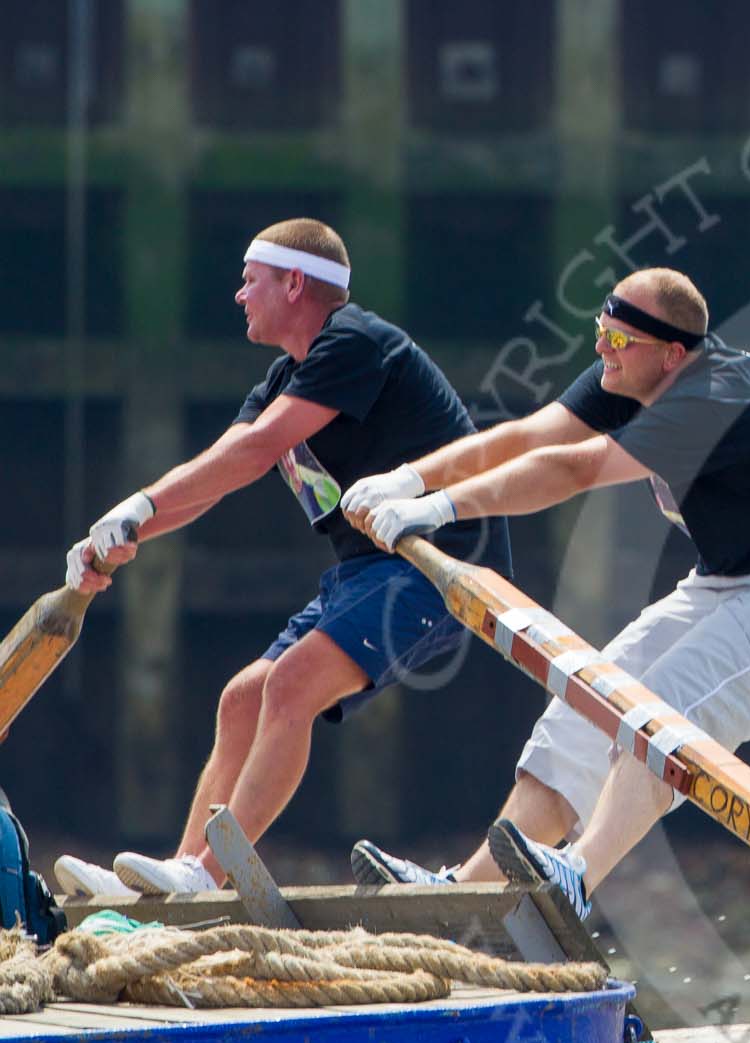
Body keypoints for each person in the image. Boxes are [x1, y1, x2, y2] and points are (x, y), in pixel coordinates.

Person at [343, 268, 750, 919]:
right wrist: (409, 480)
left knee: (663, 713)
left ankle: (578, 877)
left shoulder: (708, 396)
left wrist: (443, 508)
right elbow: (528, 437)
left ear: (672, 355)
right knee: (584, 703)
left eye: (618, 338)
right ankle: (469, 891)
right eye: (600, 330)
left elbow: (572, 469)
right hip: (730, 575)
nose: (602, 347)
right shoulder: (629, 373)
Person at [50, 219, 507, 898]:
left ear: (295, 283)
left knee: (290, 685)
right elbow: (221, 471)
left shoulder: (354, 340)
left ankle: (207, 873)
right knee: (242, 698)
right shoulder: (283, 378)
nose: (238, 294)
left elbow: (256, 450)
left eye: (249, 279)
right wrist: (118, 534)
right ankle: (178, 876)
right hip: (368, 568)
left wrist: (140, 504)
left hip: (439, 562)